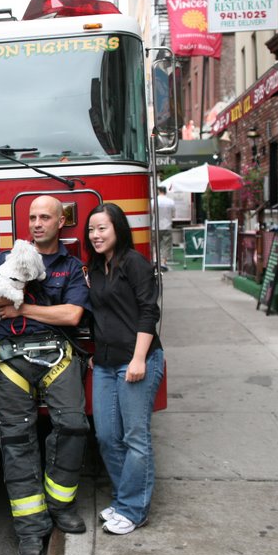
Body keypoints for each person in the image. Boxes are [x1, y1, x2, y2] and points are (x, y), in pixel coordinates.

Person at [0, 195, 89, 555]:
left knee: (73, 425)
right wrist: (3, 295)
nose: (37, 223)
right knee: (16, 439)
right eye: (33, 218)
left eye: (45, 218)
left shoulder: (70, 267)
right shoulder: (6, 261)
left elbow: (72, 315)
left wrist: (20, 305)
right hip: (10, 358)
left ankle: (60, 505)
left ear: (60, 222)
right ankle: (30, 528)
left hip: (56, 353)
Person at [84, 202, 165, 536]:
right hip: (104, 363)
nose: (95, 234)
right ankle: (123, 500)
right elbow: (102, 315)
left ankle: (135, 510)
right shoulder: (96, 268)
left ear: (118, 227)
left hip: (137, 360)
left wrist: (138, 358)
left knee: (136, 437)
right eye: (91, 229)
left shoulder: (134, 263)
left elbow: (149, 312)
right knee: (106, 436)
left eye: (102, 228)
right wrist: (96, 352)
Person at [156, 187, 175, 271]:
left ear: (159, 191)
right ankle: (163, 262)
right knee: (166, 245)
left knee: (155, 244)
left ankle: (156, 260)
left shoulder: (154, 201)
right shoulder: (171, 202)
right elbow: (173, 215)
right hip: (167, 225)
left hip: (155, 226)